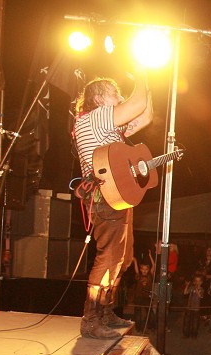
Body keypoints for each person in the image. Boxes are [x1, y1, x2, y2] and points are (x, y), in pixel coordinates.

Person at [73, 73, 153, 338]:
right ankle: (92, 318)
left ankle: (105, 312)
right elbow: (137, 103)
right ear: (98, 99)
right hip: (105, 196)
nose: (119, 98)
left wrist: (148, 80)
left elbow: (145, 115)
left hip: (115, 195)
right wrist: (142, 69)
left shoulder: (106, 126)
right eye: (114, 93)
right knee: (109, 255)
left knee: (123, 256)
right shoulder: (96, 117)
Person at [182, 274, 204, 338]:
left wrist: (197, 288)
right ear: (194, 281)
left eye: (199, 281)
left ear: (201, 282)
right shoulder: (191, 288)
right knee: (187, 322)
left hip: (196, 309)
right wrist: (187, 285)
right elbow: (185, 293)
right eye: (196, 281)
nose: (197, 282)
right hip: (189, 307)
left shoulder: (202, 289)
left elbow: (200, 296)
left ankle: (194, 335)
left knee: (195, 323)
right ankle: (186, 334)